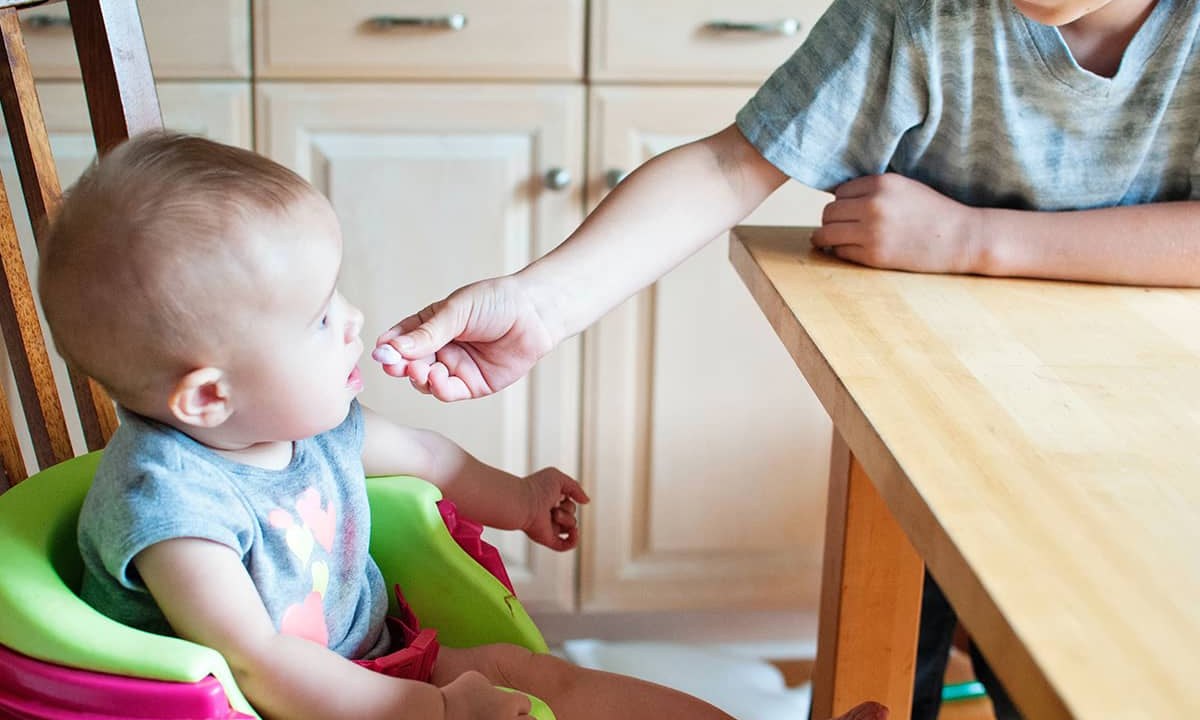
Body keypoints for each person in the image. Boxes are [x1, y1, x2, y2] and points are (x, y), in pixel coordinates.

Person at [370, 1, 1200, 718]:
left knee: (1081, 667)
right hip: (935, 416)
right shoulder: (915, 15)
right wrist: (542, 304)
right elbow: (734, 162)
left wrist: (973, 239)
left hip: (1144, 440)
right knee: (895, 661)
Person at [39, 132, 886, 720]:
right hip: (268, 706)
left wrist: (517, 498)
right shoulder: (171, 509)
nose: (352, 320)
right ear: (208, 399)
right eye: (316, 318)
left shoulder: (310, 425)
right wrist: (435, 709)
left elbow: (433, 457)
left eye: (337, 298)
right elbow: (255, 662)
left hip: (373, 667)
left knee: (540, 677)